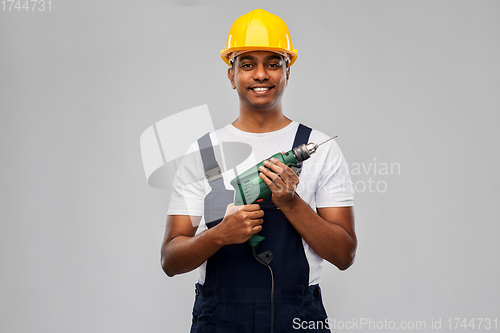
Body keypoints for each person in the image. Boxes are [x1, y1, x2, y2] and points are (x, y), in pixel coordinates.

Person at [161, 8, 357, 332]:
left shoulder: (321, 149)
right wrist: (219, 235)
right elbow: (170, 259)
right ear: (231, 74)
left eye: (273, 63)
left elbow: (344, 254)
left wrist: (291, 203)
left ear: (287, 71)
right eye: (248, 64)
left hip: (297, 318)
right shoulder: (203, 152)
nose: (261, 74)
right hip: (219, 320)